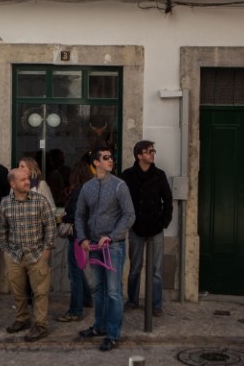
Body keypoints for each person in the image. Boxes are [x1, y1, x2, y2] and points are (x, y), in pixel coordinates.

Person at [75, 146, 135, 352]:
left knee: (114, 292)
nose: (111, 160)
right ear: (96, 163)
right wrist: (82, 238)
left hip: (114, 247)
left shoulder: (120, 186)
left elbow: (129, 215)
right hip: (92, 245)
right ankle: (99, 327)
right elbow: (79, 215)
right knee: (98, 290)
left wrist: (111, 236)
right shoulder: (87, 187)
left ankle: (112, 333)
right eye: (106, 158)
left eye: (112, 157)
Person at [0, 168, 56, 342]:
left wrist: (46, 249)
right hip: (14, 255)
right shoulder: (5, 203)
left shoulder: (40, 201)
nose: (27, 182)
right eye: (22, 179)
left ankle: (40, 325)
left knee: (40, 293)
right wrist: (4, 249)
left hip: (37, 254)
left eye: (28, 178)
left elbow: (50, 226)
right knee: (17, 292)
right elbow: (1, 228)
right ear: (12, 184)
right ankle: (22, 319)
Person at [121, 140, 173, 317]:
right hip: (136, 228)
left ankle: (156, 304)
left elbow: (167, 200)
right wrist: (128, 222)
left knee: (156, 270)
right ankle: (133, 300)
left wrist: (164, 222)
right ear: (139, 155)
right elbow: (121, 201)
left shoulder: (159, 175)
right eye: (149, 151)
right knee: (135, 267)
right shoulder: (127, 176)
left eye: (153, 151)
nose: (152, 154)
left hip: (156, 228)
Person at [56, 160, 93, 322]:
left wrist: (63, 218)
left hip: (77, 236)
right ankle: (86, 299)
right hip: (85, 234)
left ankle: (75, 310)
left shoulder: (79, 191)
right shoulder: (90, 189)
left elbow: (76, 215)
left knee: (74, 274)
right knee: (78, 270)